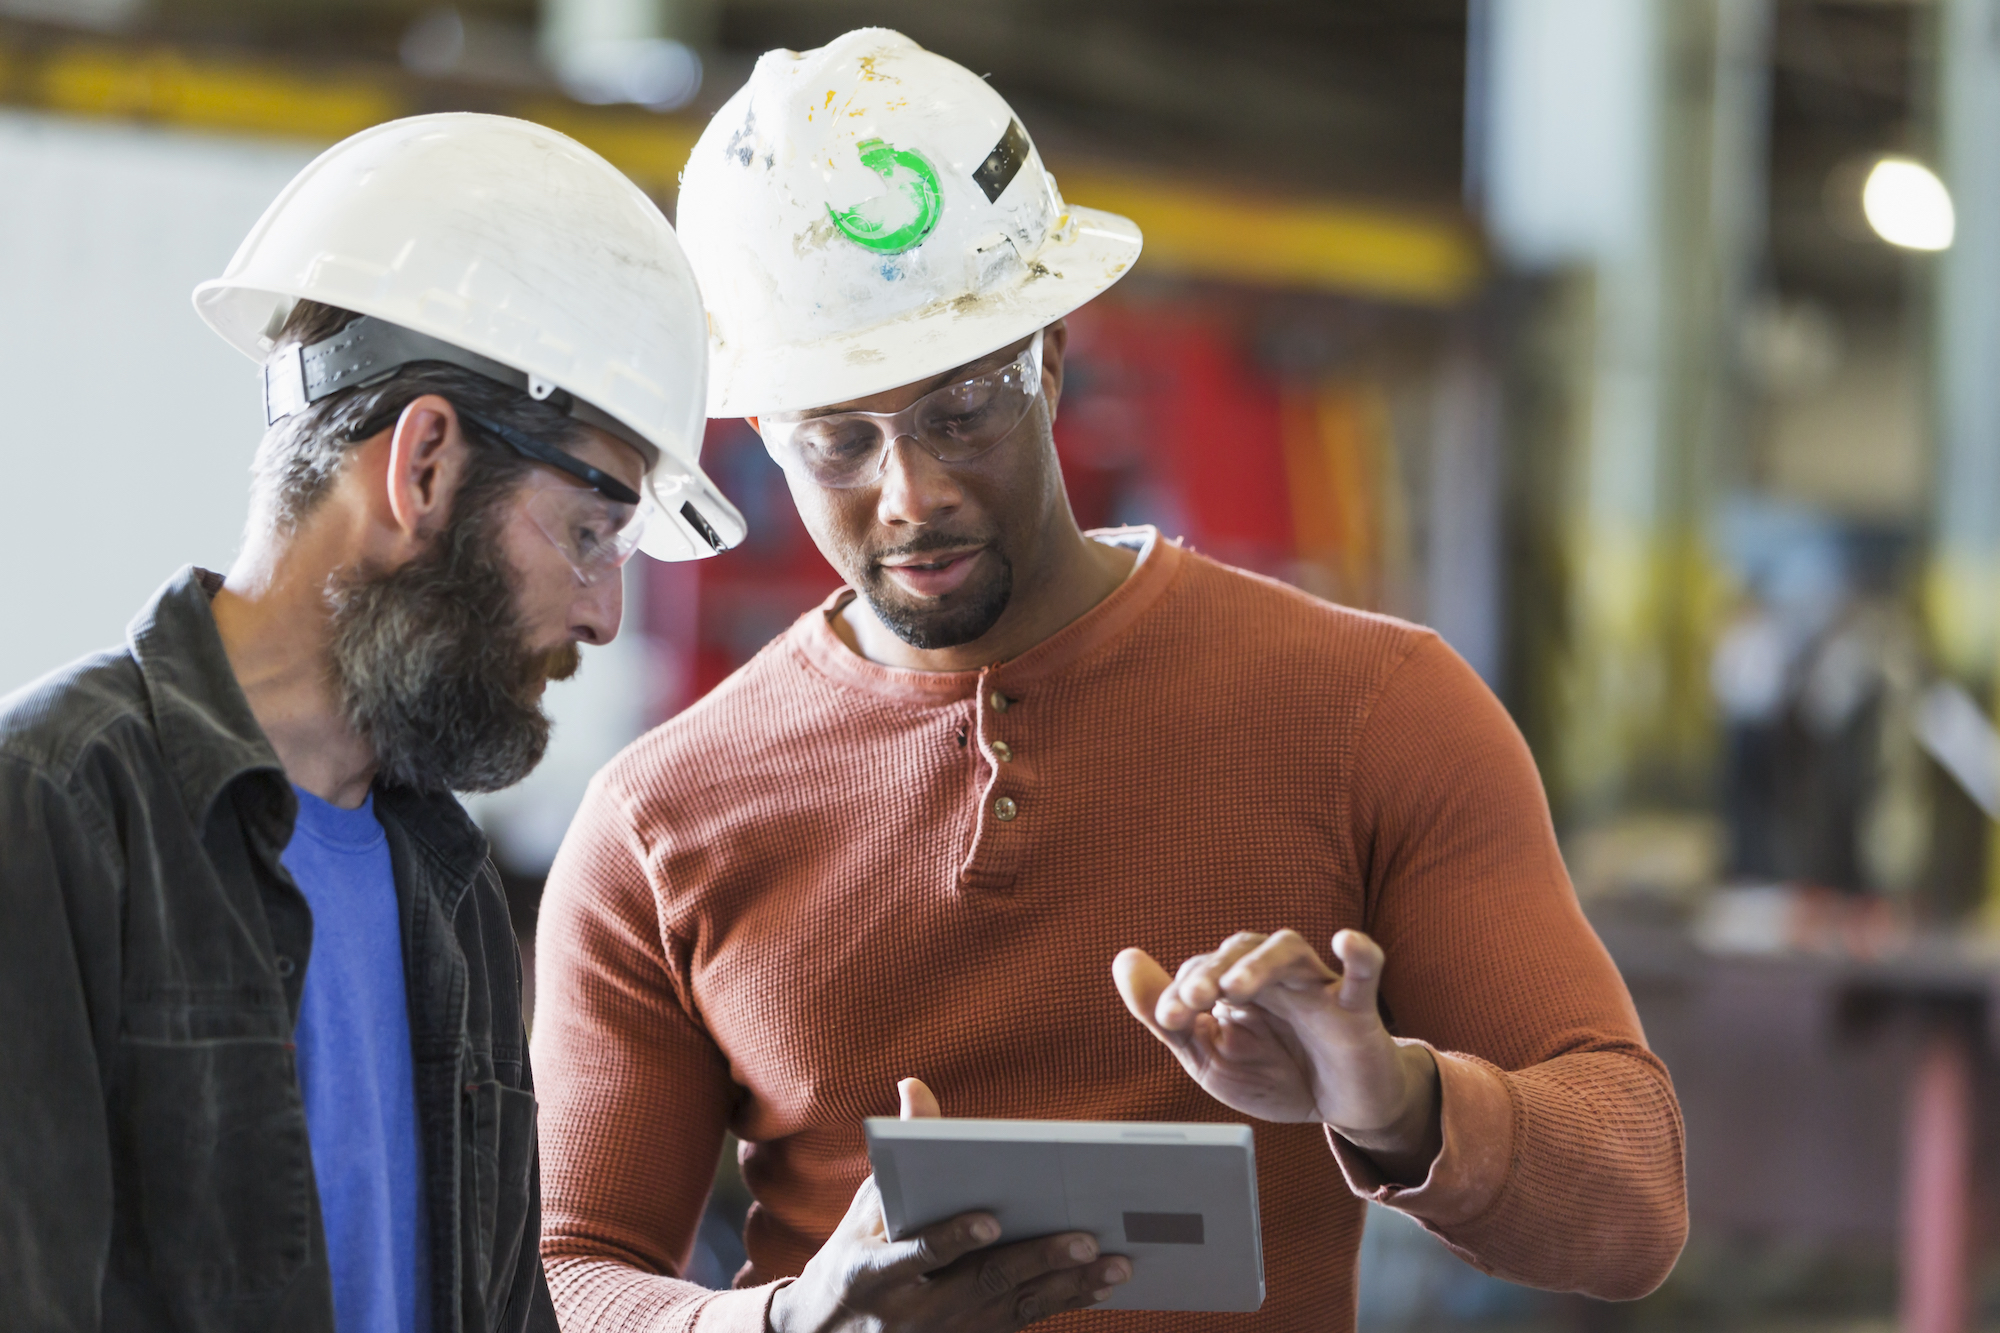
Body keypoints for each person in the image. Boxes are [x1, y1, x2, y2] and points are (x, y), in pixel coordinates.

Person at [532, 29, 1688, 1333]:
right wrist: (788, 1325)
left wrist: (1396, 1098)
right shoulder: (662, 818)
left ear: (1054, 356)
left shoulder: (1375, 712)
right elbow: (559, 1276)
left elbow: (1635, 1204)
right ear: (761, 436)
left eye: (963, 407)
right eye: (841, 443)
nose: (916, 492)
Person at [0, 114, 742, 1333]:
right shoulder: (56, 813)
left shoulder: (443, 885)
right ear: (428, 468)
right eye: (591, 533)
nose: (606, 613)